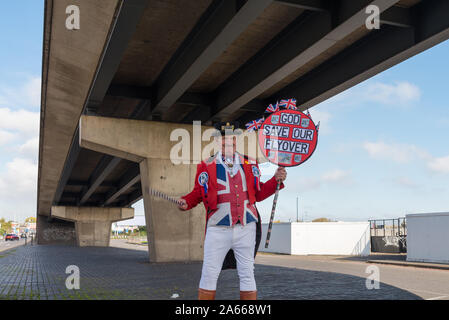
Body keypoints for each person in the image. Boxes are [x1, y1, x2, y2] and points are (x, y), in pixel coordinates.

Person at [177, 122, 287, 300]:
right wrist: (186, 202)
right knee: (209, 273)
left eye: (232, 142)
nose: (229, 145)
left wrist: (276, 180)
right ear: (216, 143)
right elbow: (198, 192)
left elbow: (257, 193)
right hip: (217, 228)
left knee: (247, 273)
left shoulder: (251, 162)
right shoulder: (205, 165)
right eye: (224, 141)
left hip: (247, 226)